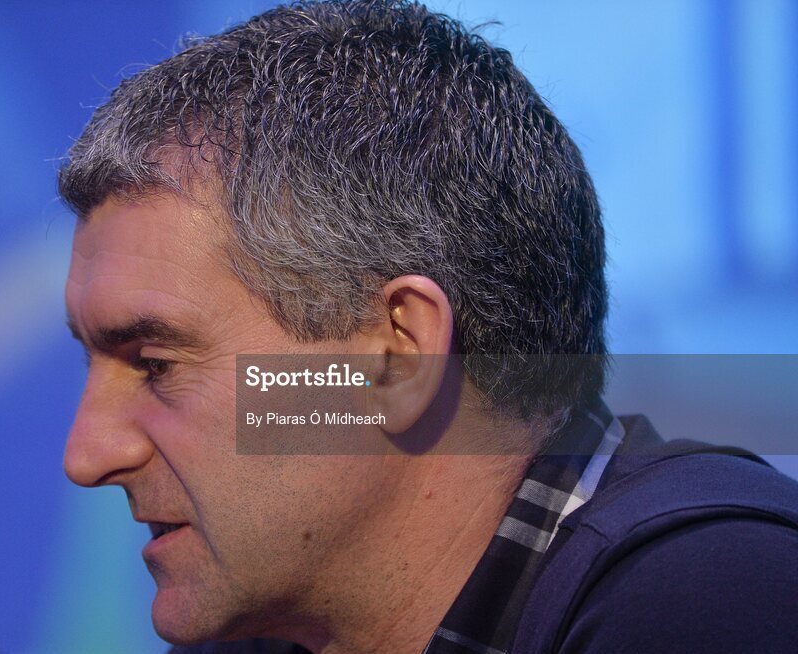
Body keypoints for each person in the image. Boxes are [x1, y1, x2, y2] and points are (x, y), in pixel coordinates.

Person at [57, 2, 798, 652]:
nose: (87, 455)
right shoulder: (255, 638)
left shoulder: (710, 598)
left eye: (155, 364)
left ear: (398, 356)